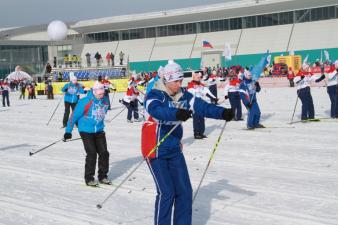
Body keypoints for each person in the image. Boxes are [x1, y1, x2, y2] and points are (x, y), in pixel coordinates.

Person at [142, 61, 233, 225]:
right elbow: (156, 110)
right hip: (155, 148)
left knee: (184, 191)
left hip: (174, 147)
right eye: (176, 81)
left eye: (180, 80)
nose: (179, 84)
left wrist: (223, 113)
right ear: (166, 80)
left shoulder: (184, 95)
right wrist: (176, 113)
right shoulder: (155, 94)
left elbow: (202, 107)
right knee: (167, 192)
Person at [64, 82, 111, 186]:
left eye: (102, 93)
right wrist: (68, 131)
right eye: (99, 94)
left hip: (99, 130)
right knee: (92, 153)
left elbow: (103, 113)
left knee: (104, 153)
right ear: (94, 92)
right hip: (85, 130)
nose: (101, 95)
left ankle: (103, 176)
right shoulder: (84, 102)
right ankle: (89, 178)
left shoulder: (105, 101)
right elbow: (73, 117)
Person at [187, 71, 217, 139]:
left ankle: (201, 132)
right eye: (198, 77)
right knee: (196, 119)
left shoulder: (201, 85)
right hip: (194, 103)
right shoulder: (190, 85)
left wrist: (214, 98)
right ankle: (196, 133)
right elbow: (190, 92)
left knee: (202, 118)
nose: (199, 78)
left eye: (200, 77)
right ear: (194, 77)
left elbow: (207, 91)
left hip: (201, 103)